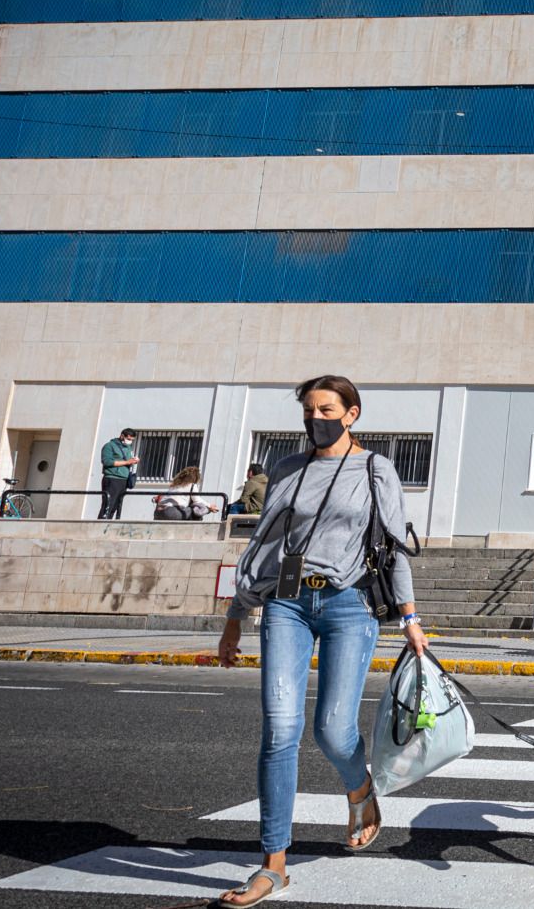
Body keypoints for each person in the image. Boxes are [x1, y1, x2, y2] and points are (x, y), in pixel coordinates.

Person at [215, 375, 427, 908]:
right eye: (309, 410)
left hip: (348, 605)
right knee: (279, 729)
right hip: (286, 601)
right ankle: (273, 865)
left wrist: (409, 618)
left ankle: (359, 788)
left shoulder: (376, 469)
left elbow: (395, 545)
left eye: (327, 409)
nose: (316, 419)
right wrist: (237, 615)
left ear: (352, 413)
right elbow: (261, 545)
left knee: (333, 730)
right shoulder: (288, 470)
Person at [98, 427, 140, 520]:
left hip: (123, 479)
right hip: (112, 478)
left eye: (132, 440)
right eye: (128, 439)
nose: (130, 441)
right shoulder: (109, 446)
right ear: (122, 436)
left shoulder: (128, 448)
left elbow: (127, 460)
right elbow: (106, 461)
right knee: (107, 505)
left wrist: (134, 461)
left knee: (115, 506)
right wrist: (127, 462)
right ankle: (100, 526)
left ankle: (108, 525)